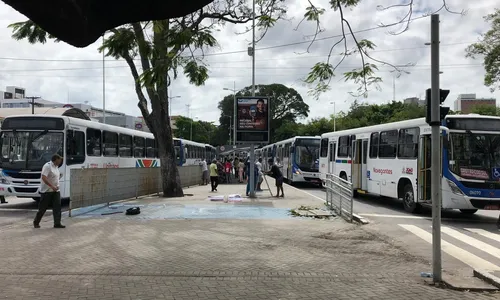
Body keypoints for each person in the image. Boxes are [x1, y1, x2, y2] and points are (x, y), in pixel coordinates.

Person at [34, 154, 65, 228]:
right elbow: (44, 178)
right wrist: (52, 186)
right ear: (56, 159)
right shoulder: (47, 166)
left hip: (56, 190)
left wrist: (56, 185)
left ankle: (57, 223)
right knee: (43, 208)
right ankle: (36, 222)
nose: (60, 162)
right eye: (59, 160)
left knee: (57, 206)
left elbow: (55, 177)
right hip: (47, 191)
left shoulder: (56, 167)